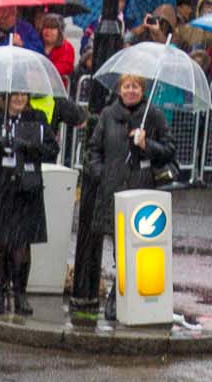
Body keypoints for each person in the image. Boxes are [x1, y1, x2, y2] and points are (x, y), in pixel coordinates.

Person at [70, 75, 171, 318]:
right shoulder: (107, 114)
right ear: (119, 90)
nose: (131, 91)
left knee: (136, 246)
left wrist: (148, 145)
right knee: (119, 245)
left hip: (142, 190)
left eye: (136, 86)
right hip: (113, 190)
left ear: (142, 90)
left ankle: (119, 293)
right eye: (127, 86)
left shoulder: (153, 116)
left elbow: (168, 150)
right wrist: (101, 173)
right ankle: (120, 291)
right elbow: (94, 149)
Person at [0, 91, 57, 316]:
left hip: (25, 189)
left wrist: (26, 146)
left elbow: (51, 151)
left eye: (23, 95)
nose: (19, 99)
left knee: (21, 244)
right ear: (5, 96)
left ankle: (20, 294)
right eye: (14, 94)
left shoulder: (37, 118)